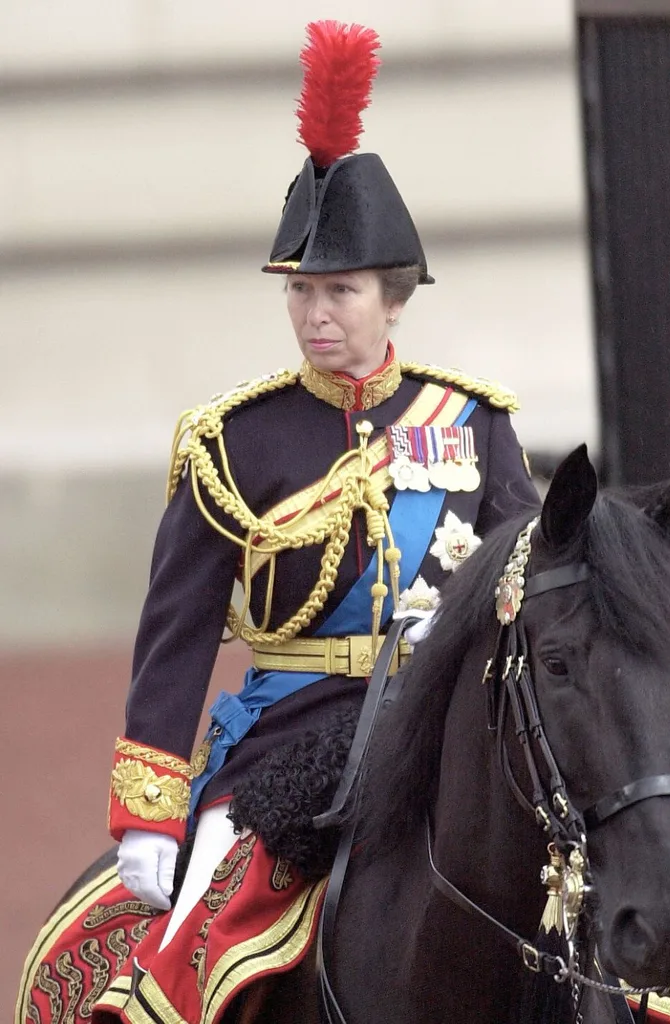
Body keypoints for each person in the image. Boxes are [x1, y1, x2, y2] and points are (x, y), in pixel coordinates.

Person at [17, 21, 538, 1024]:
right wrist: (150, 816)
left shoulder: (474, 424)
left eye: (338, 290)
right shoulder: (235, 444)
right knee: (184, 957)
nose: (315, 315)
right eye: (300, 292)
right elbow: (171, 644)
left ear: (394, 298)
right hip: (285, 744)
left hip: (442, 734)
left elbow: (532, 587)